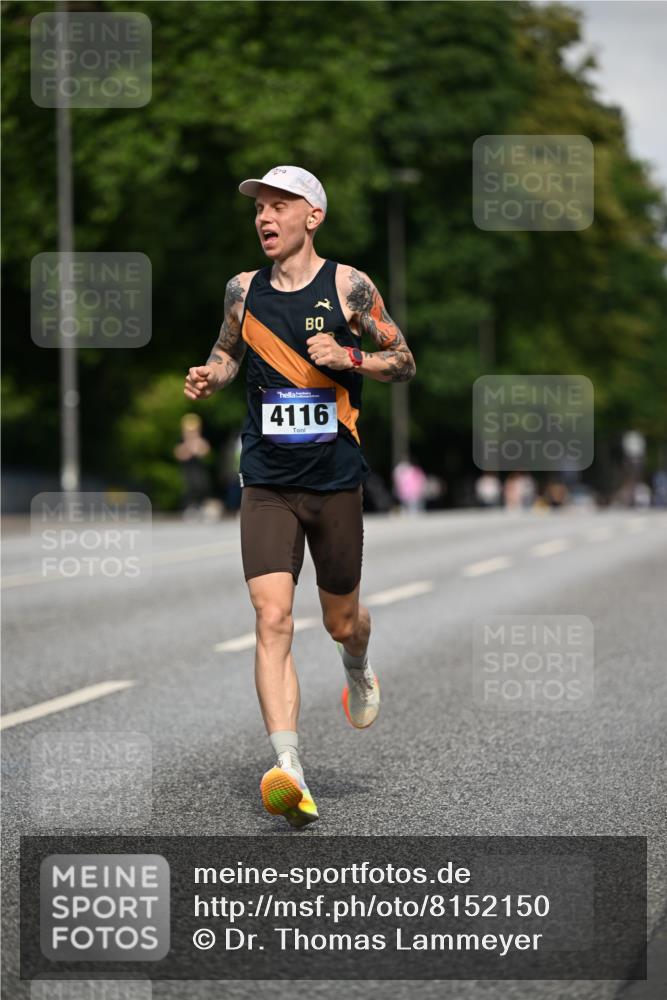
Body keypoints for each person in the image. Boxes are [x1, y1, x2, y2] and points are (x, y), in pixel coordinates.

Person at [184, 165, 416, 828]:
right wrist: (211, 376)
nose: (265, 217)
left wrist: (354, 361)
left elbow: (403, 360)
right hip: (265, 480)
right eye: (260, 206)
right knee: (272, 618)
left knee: (342, 619)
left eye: (280, 205)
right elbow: (228, 352)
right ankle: (288, 766)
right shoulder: (242, 290)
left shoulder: (349, 286)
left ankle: (357, 664)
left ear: (311, 216)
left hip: (336, 478)